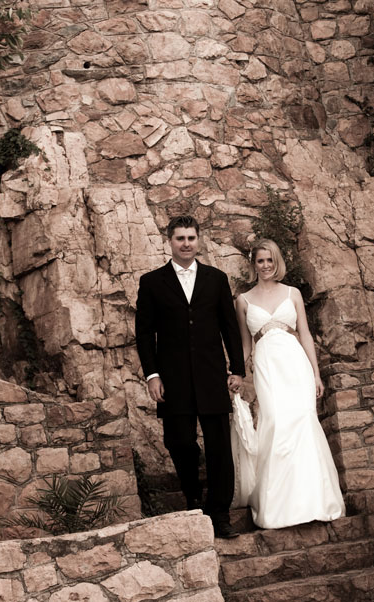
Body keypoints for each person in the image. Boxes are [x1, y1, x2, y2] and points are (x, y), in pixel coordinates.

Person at [135, 215, 245, 538]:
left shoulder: (216, 279)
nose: (186, 244)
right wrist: (152, 375)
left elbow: (229, 327)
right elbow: (144, 334)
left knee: (220, 448)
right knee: (179, 441)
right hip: (173, 379)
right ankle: (193, 495)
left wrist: (237, 369)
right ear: (169, 241)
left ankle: (220, 514)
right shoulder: (152, 282)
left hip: (212, 376)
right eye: (180, 238)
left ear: (199, 241)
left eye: (191, 238)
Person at [233, 238, 345, 529]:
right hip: (267, 365)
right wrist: (234, 373)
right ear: (253, 264)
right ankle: (278, 507)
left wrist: (316, 374)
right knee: (275, 422)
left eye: (270, 260)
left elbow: (305, 334)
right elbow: (245, 345)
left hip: (295, 364)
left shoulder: (292, 293)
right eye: (260, 260)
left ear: (277, 261)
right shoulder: (243, 300)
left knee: (303, 422)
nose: (266, 265)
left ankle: (315, 501)